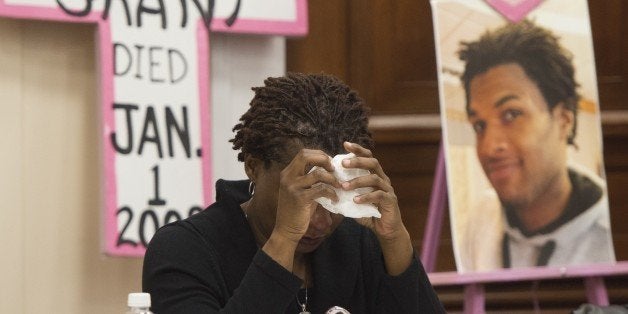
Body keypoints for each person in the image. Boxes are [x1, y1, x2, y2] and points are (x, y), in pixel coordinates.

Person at [142, 73, 445, 313]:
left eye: (333, 200)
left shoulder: (359, 243)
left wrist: (396, 242)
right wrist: (284, 238)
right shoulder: (185, 250)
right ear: (254, 167)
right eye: (304, 196)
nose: (321, 222)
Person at [456, 20, 615, 272]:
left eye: (511, 114)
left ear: (564, 119)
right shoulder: (482, 221)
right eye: (479, 125)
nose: (489, 146)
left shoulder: (611, 235)